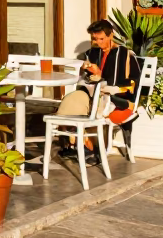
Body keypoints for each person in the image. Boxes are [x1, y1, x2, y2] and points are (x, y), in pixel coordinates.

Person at [53, 20, 141, 165]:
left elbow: (127, 85)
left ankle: (92, 150)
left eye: (101, 39)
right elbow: (87, 79)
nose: (98, 42)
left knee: (92, 107)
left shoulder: (124, 55)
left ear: (111, 35)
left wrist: (99, 75)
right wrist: (86, 70)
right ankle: (76, 144)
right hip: (93, 93)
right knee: (71, 100)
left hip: (118, 98)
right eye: (95, 39)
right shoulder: (92, 53)